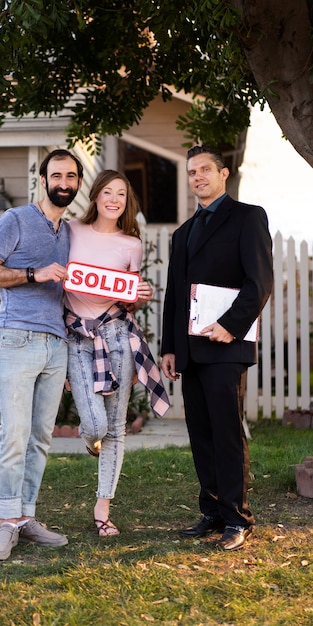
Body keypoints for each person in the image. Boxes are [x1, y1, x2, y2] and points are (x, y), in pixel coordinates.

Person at [161, 145, 273, 551]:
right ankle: (210, 510)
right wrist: (169, 347)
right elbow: (175, 294)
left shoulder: (247, 217)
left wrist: (230, 326)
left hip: (226, 345)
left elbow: (260, 282)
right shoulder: (182, 233)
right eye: (191, 172)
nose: (197, 177)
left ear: (223, 174)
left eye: (205, 170)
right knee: (201, 432)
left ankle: (236, 518)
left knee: (227, 432)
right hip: (189, 349)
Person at [0, 148, 84, 560]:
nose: (63, 183)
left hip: (56, 345)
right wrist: (32, 274)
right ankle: (6, 523)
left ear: (76, 183)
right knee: (15, 436)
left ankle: (27, 517)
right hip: (16, 339)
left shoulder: (71, 233)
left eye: (71, 177)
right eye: (56, 175)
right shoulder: (15, 220)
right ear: (43, 180)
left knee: (41, 438)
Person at [64, 169, 170, 537]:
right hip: (77, 337)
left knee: (116, 427)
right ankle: (91, 440)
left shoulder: (131, 244)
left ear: (127, 202)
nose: (114, 199)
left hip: (118, 334)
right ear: (95, 196)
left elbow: (129, 299)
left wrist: (140, 297)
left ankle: (102, 508)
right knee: (94, 426)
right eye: (107, 192)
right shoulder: (71, 230)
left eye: (121, 194)